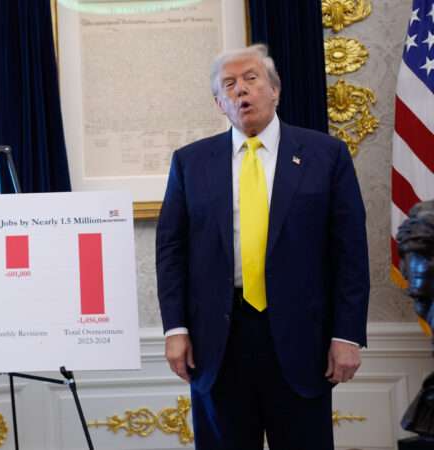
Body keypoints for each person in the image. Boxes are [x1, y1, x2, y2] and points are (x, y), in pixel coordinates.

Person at [155, 44, 369, 449]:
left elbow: (350, 252)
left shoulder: (326, 155)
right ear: (219, 104)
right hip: (217, 342)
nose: (241, 90)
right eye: (228, 85)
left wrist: (347, 334)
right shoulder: (190, 162)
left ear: (275, 89)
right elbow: (171, 252)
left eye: (251, 79)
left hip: (302, 338)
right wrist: (176, 328)